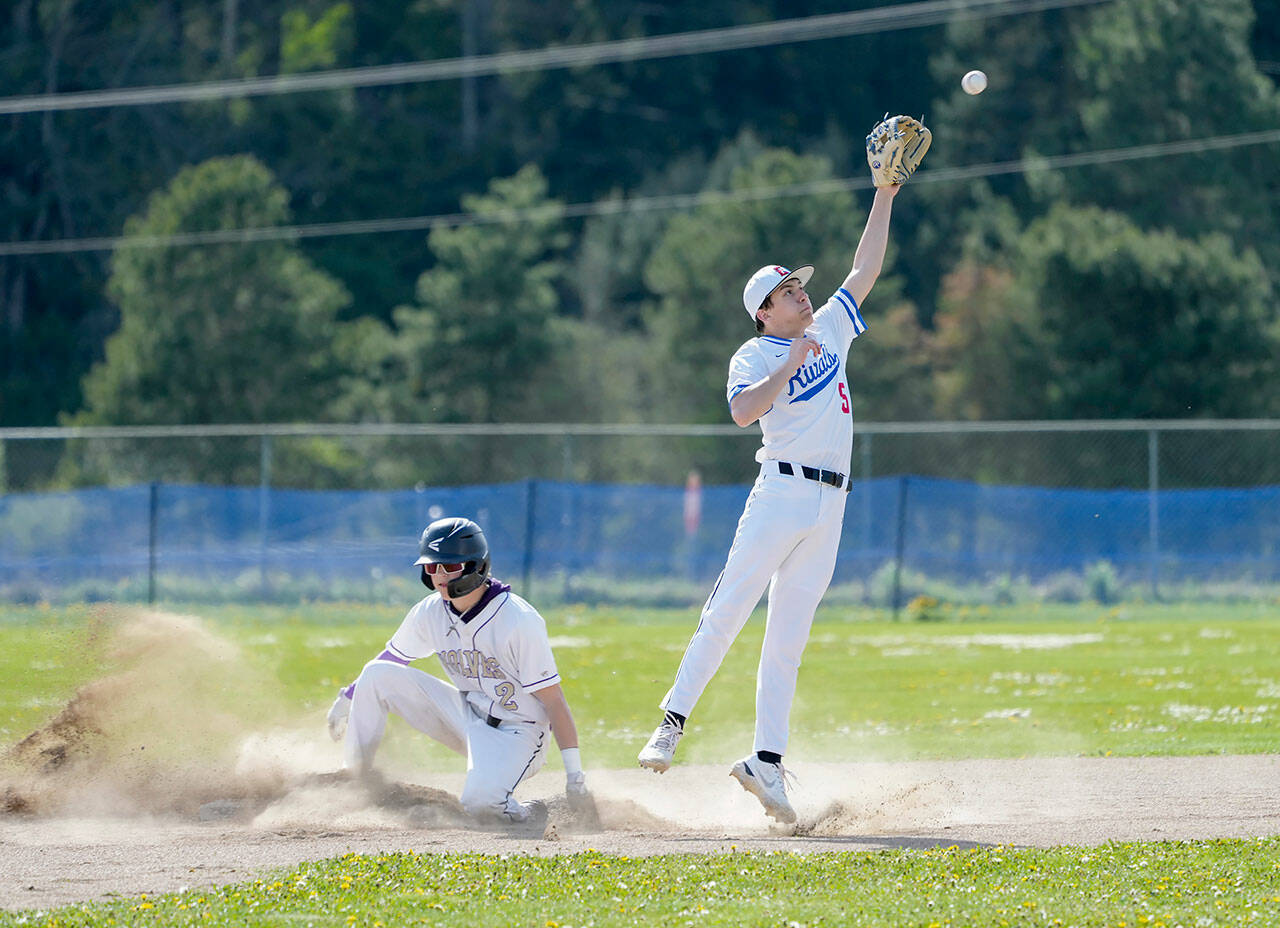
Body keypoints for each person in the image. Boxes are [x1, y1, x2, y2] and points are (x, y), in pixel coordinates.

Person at [637, 182, 904, 824]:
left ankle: (766, 763)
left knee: (788, 640)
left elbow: (866, 267)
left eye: (800, 287)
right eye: (788, 292)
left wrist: (885, 191)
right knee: (728, 608)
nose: (802, 294)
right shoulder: (754, 352)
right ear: (764, 310)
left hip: (831, 503)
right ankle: (672, 722)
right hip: (781, 490)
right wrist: (788, 364)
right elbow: (740, 411)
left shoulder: (831, 325)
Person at [326, 516, 589, 827]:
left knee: (481, 805)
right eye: (431, 566)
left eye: (449, 567)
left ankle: (530, 812)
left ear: (477, 566)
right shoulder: (429, 612)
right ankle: (355, 777)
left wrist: (575, 775)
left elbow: (554, 700)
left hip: (518, 731)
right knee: (377, 673)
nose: (439, 576)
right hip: (464, 714)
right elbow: (393, 658)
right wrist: (348, 696)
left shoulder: (517, 620)